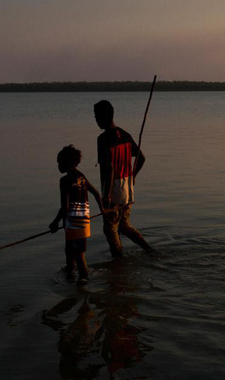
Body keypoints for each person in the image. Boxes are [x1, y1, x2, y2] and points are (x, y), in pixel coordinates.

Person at [94, 100, 153, 257]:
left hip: (112, 190)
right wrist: (133, 177)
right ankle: (149, 250)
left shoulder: (103, 140)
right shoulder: (125, 135)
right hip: (127, 189)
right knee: (124, 226)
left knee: (110, 228)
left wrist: (106, 195)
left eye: (96, 116)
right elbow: (141, 157)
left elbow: (109, 168)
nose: (95, 120)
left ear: (103, 117)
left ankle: (117, 261)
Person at [49, 145, 105, 284]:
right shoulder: (82, 176)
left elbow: (65, 207)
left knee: (76, 253)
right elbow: (97, 193)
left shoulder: (64, 181)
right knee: (74, 249)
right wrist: (103, 211)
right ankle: (70, 271)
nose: (58, 166)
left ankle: (83, 277)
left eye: (59, 162)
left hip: (72, 220)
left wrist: (55, 222)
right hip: (84, 219)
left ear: (65, 163)